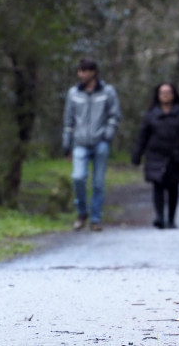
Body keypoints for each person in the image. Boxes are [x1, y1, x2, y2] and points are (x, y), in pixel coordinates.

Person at [131, 83, 179, 229]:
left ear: (174, 94)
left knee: (173, 188)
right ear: (157, 95)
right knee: (157, 186)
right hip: (155, 155)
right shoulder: (151, 115)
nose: (165, 95)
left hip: (176, 156)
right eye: (162, 92)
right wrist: (137, 155)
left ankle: (171, 218)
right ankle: (159, 217)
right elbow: (142, 137)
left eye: (168, 92)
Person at [62, 58, 122, 231]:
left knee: (98, 183)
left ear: (93, 72)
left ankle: (95, 219)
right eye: (80, 71)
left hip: (100, 143)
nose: (81, 74)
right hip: (80, 143)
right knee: (78, 177)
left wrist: (108, 135)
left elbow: (114, 115)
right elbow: (68, 120)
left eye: (85, 71)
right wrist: (66, 145)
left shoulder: (107, 92)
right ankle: (82, 213)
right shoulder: (73, 93)